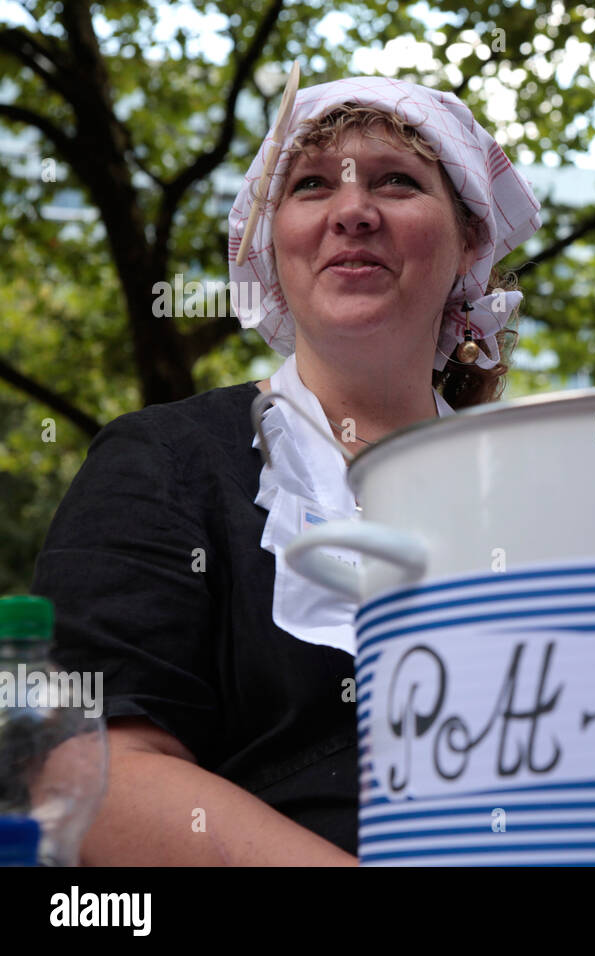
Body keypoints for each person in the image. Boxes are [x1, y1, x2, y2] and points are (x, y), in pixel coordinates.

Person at [30, 76, 540, 865]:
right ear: (271, 248)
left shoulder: (540, 498)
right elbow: (93, 773)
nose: (353, 210)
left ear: (471, 239)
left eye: (396, 180)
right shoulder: (165, 465)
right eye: (310, 185)